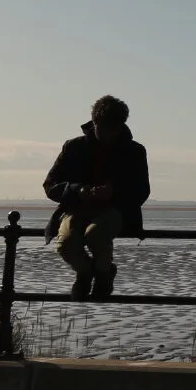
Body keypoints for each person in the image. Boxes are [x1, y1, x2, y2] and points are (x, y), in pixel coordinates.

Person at [43, 95, 152, 300]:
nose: (109, 135)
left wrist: (114, 193)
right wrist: (78, 191)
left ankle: (102, 276)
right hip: (76, 208)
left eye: (114, 129)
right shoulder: (73, 147)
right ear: (94, 123)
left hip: (115, 211)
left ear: (122, 125)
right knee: (66, 243)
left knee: (96, 234)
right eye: (104, 128)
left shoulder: (135, 152)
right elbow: (50, 185)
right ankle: (88, 273)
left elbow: (142, 191)